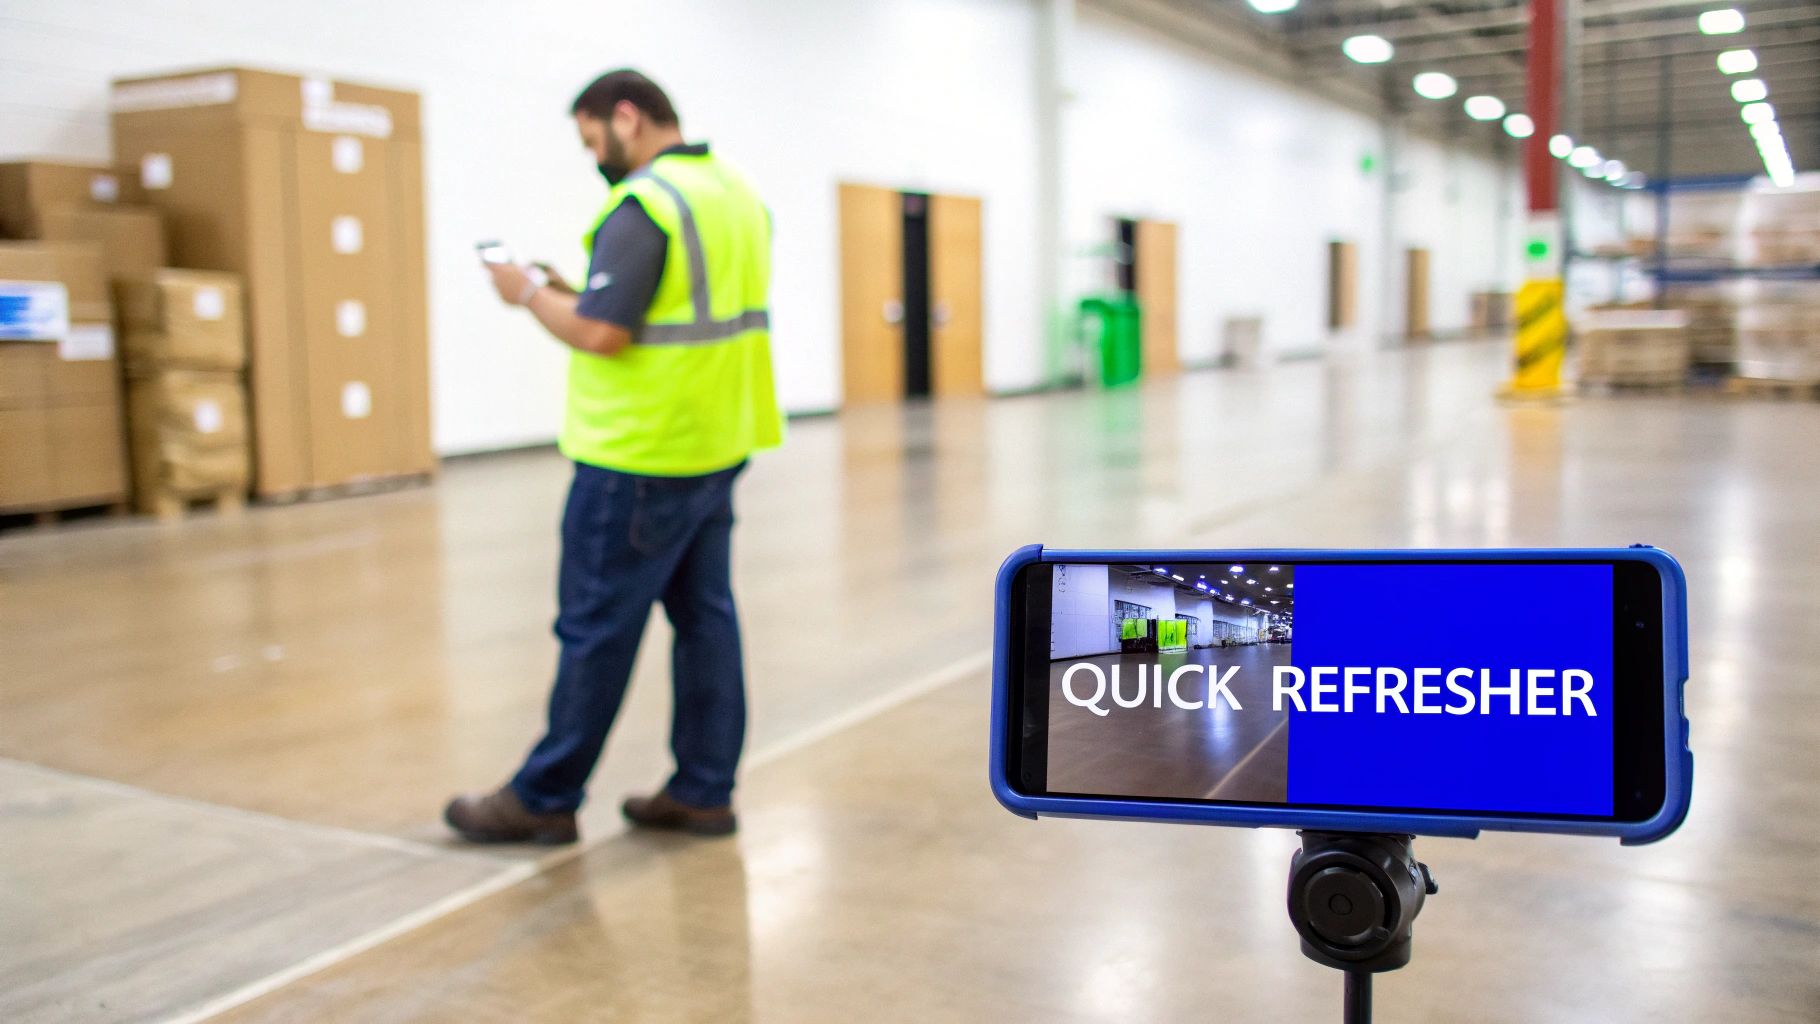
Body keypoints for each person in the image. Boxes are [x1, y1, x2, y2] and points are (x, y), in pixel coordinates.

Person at [446, 69, 782, 844]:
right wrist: (575, 289)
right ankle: (704, 790)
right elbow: (672, 307)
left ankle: (544, 796)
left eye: (593, 139)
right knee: (706, 620)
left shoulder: (646, 203)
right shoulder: (735, 192)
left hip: (638, 457)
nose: (595, 156)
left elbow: (603, 333)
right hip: (715, 442)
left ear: (625, 118)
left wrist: (527, 293)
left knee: (596, 627)